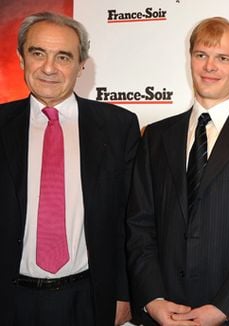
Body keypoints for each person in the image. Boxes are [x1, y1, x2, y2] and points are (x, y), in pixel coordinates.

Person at [126, 17, 229, 326]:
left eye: (223, 58)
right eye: (201, 55)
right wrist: (153, 300)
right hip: (164, 315)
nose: (209, 66)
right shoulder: (157, 136)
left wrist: (223, 308)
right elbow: (139, 225)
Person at [0, 12, 139, 326]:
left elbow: (130, 220)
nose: (49, 68)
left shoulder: (119, 127)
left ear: (81, 66)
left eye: (63, 57)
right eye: (38, 53)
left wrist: (124, 292)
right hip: (10, 301)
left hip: (89, 298)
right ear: (21, 59)